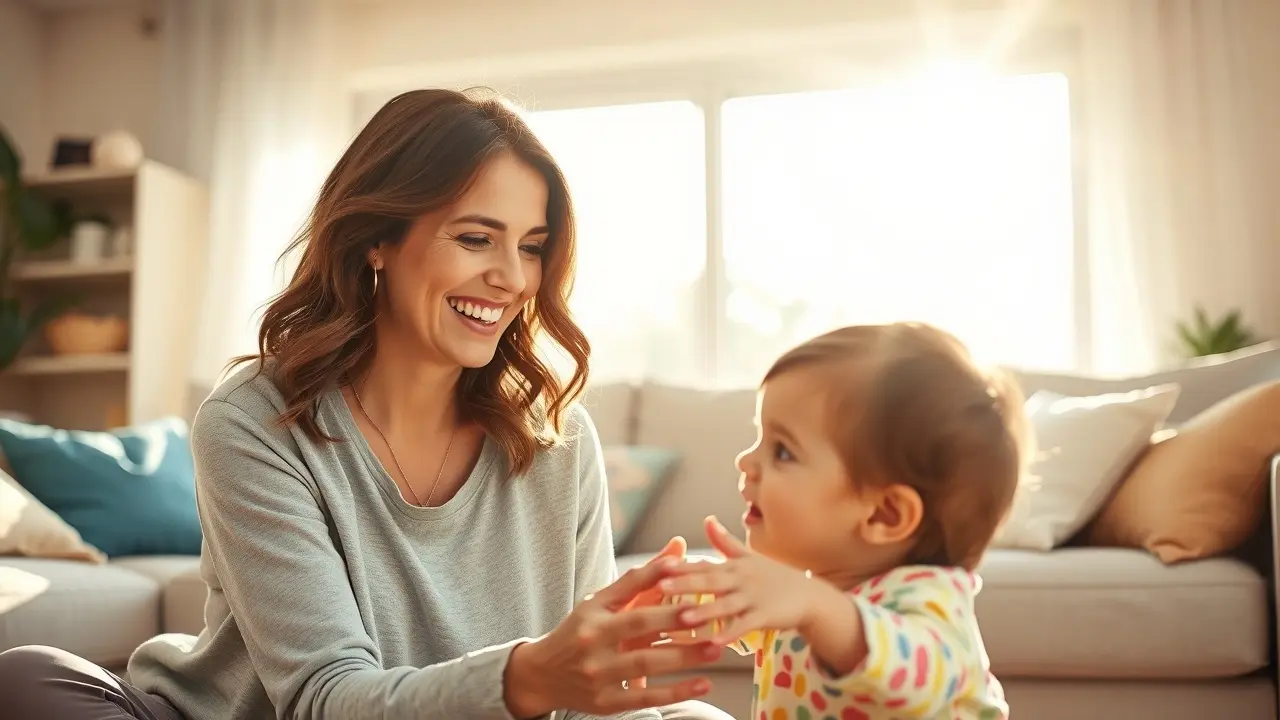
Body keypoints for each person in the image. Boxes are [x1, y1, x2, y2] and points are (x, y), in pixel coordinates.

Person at [0, 88, 731, 720]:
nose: (511, 278)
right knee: (29, 679)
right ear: (378, 239)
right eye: (477, 238)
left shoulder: (559, 442)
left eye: (533, 247)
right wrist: (530, 674)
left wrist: (614, 679)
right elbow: (324, 698)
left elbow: (576, 701)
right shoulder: (257, 420)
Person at [659, 323, 1029, 720]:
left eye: (782, 451)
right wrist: (667, 596)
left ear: (885, 514)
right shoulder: (803, 590)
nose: (746, 462)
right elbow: (735, 604)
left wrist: (814, 607)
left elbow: (916, 679)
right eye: (760, 438)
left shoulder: (929, 602)